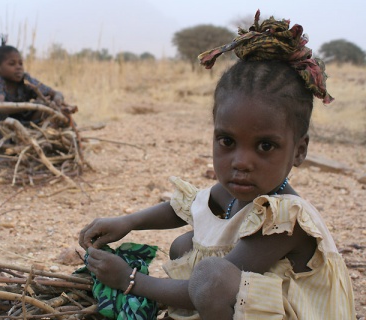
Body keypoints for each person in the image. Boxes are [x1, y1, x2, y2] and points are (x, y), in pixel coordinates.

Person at [78, 11, 356, 320]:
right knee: (184, 245)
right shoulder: (234, 192)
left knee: (212, 274)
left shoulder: (286, 219)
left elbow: (208, 287)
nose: (240, 162)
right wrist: (126, 222)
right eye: (227, 141)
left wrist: (129, 281)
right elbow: (184, 208)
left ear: (299, 150)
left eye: (265, 146)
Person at [0, 36, 65, 149]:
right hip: (1, 129)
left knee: (48, 106)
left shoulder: (26, 80)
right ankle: (1, 151)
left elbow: (55, 93)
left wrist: (56, 99)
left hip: (24, 124)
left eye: (20, 63)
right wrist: (33, 106)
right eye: (12, 64)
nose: (18, 67)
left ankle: (49, 140)